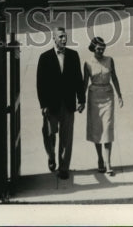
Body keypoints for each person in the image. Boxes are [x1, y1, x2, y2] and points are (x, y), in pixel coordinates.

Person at [36, 27, 86, 179]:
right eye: (61, 37)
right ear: (54, 38)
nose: (64, 39)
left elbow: (78, 78)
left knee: (66, 137)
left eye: (65, 37)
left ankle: (64, 168)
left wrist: (81, 99)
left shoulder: (73, 55)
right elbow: (40, 83)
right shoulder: (44, 58)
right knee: (49, 135)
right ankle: (51, 156)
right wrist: (43, 105)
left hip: (68, 104)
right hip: (51, 105)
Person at [83, 36, 123, 175]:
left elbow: (115, 77)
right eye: (98, 49)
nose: (101, 51)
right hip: (94, 96)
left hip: (108, 96)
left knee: (107, 128)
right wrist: (81, 100)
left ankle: (108, 163)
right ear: (93, 48)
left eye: (103, 49)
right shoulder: (87, 63)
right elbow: (84, 82)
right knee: (97, 129)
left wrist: (119, 95)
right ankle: (100, 158)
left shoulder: (109, 60)